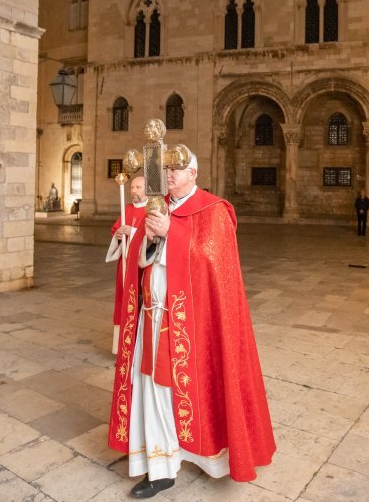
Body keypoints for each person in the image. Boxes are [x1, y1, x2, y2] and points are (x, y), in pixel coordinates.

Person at [107, 151, 275, 498]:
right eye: (167, 168)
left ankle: (182, 454)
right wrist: (147, 240)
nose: (169, 173)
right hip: (151, 316)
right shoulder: (156, 206)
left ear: (193, 173)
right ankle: (160, 464)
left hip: (191, 326)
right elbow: (140, 254)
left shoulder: (213, 210)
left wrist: (172, 234)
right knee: (150, 388)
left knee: (174, 392)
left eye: (176, 169)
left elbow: (215, 263)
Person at [106, 176, 148, 353]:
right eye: (132, 188)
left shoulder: (151, 210)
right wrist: (118, 236)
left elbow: (153, 237)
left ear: (147, 190)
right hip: (125, 265)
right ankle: (122, 345)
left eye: (138, 187)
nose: (133, 191)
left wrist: (133, 232)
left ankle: (140, 345)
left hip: (141, 267)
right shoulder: (127, 209)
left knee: (140, 299)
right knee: (124, 301)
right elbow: (115, 231)